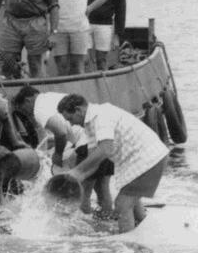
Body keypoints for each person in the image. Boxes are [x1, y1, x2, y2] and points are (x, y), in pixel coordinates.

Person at [54, 94, 168, 233]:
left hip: (148, 159)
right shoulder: (89, 124)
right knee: (132, 203)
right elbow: (94, 162)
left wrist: (76, 171)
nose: (71, 124)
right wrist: (76, 178)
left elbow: (105, 149)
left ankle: (128, 250)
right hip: (135, 162)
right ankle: (143, 236)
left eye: (70, 119)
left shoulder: (102, 115)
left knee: (122, 205)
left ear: (78, 110)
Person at [12, 86, 112, 215]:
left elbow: (61, 132)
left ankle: (88, 230)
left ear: (27, 100)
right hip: (103, 139)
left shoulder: (38, 110)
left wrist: (58, 154)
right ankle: (108, 224)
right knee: (103, 189)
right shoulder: (52, 96)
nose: (26, 114)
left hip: (86, 144)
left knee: (82, 193)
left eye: (23, 110)